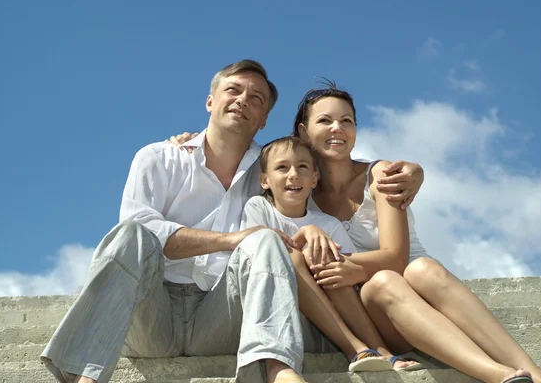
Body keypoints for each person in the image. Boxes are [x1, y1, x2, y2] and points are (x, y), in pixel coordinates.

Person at [40, 60, 426, 383]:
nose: (243, 100)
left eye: (256, 99)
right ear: (210, 100)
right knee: (131, 234)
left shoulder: (270, 168)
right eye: (234, 91)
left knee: (264, 241)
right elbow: (145, 230)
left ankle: (280, 370)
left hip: (222, 315)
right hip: (152, 316)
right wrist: (229, 240)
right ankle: (85, 377)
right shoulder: (159, 157)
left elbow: (310, 185)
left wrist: (413, 171)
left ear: (263, 121)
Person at [292, 82, 541, 383]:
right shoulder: (301, 193)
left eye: (347, 121)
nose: (337, 128)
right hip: (377, 316)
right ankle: (499, 375)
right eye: (325, 121)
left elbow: (396, 257)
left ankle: (536, 375)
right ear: (303, 132)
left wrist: (350, 266)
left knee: (418, 269)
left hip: (424, 288)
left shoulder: (381, 175)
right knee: (381, 283)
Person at [240, 135, 424, 373]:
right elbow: (265, 247)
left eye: (303, 167)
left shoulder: (328, 223)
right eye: (282, 167)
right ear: (264, 180)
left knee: (331, 262)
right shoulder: (257, 207)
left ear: (314, 179)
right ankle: (354, 348)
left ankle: (382, 351)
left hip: (332, 306)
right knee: (294, 256)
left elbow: (348, 270)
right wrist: (306, 233)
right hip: (281, 311)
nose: (293, 174)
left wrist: (324, 254)